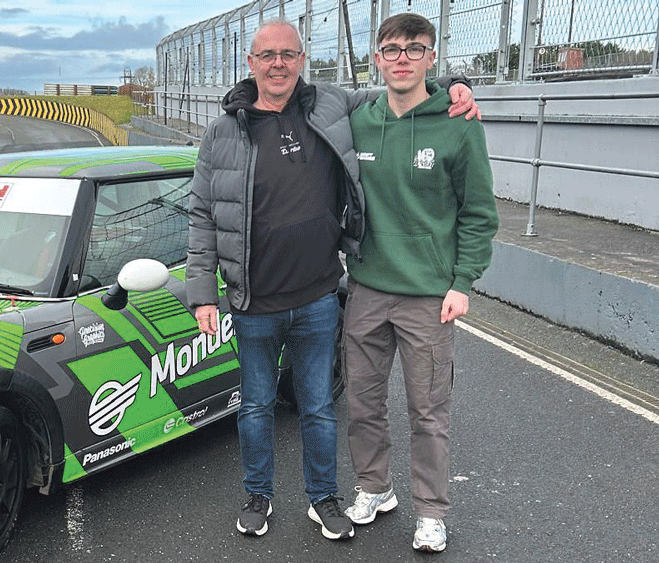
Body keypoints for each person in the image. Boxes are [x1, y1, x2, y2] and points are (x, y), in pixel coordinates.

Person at [185, 18, 479, 540]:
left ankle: (323, 496)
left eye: (289, 55)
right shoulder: (223, 130)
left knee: (320, 408)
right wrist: (202, 292)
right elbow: (203, 214)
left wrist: (457, 86)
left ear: (303, 61)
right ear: (250, 64)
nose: (279, 64)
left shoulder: (330, 104)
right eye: (267, 55)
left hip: (321, 295)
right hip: (253, 300)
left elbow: (402, 84)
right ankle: (259, 494)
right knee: (254, 405)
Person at [341, 13, 499, 552]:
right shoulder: (358, 118)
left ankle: (431, 510)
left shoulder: (459, 123)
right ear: (377, 59)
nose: (402, 57)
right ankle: (373, 488)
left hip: (431, 296)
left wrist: (462, 282)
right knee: (362, 402)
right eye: (391, 48)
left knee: (428, 410)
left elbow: (479, 212)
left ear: (432, 57)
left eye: (414, 48)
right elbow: (293, 92)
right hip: (366, 289)